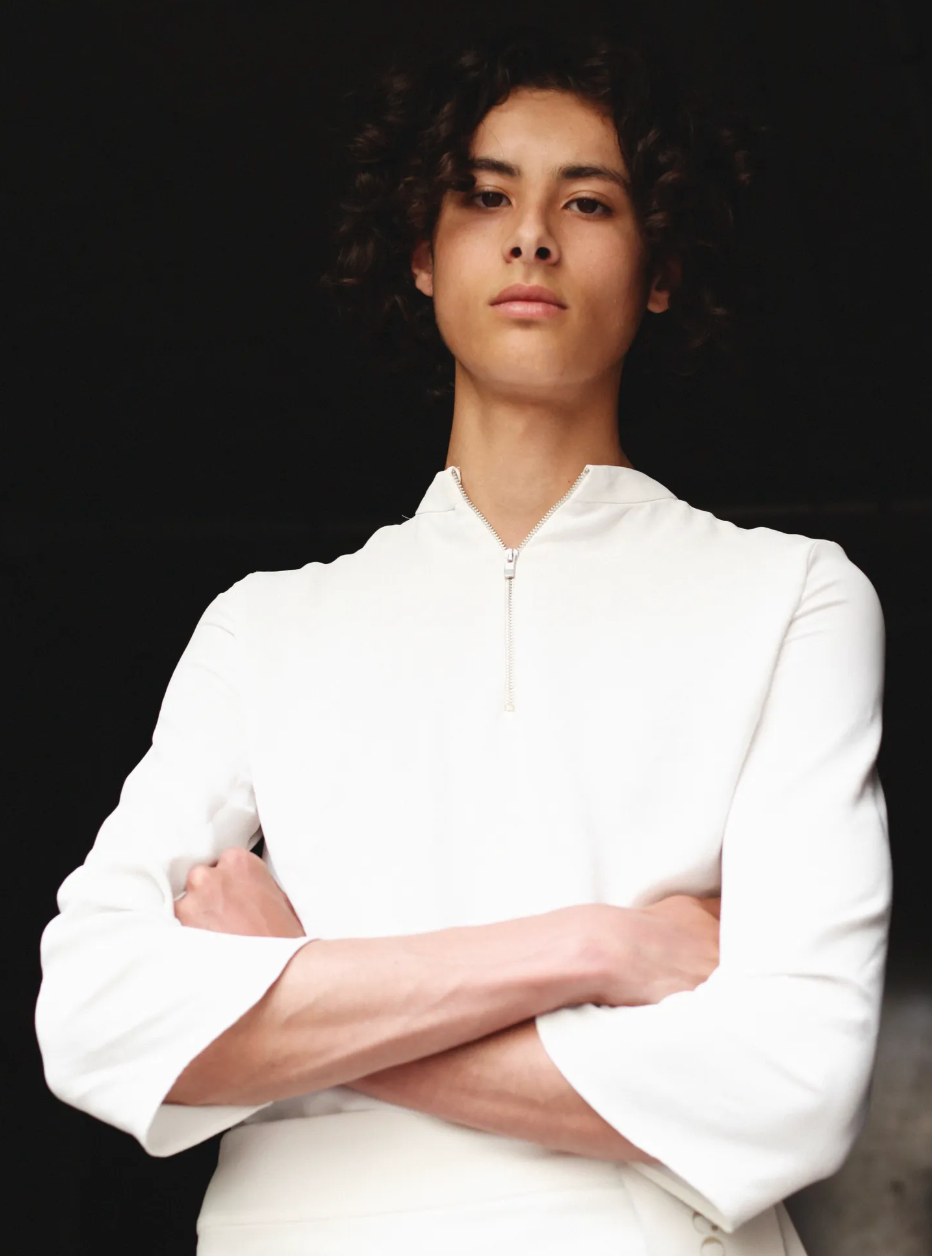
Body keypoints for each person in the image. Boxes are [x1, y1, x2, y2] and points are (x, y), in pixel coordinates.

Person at [35, 23, 891, 1256]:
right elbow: (92, 1014)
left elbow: (791, 1085)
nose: (530, 234)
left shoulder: (791, 595)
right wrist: (591, 947)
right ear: (422, 256)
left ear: (659, 267)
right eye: (484, 196)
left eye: (586, 201)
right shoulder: (263, 624)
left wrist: (299, 983)